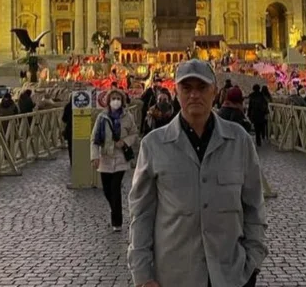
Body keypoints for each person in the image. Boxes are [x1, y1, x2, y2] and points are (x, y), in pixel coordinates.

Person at [128, 60, 267, 287]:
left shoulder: (239, 140)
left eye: (202, 88)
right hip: (174, 275)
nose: (194, 95)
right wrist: (142, 273)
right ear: (176, 92)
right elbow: (141, 214)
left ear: (215, 91)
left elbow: (254, 206)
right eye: (187, 88)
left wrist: (253, 261)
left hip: (231, 274)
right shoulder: (153, 145)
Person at [90, 88, 138, 232]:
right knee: (106, 189)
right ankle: (115, 209)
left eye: (118, 98)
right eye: (113, 98)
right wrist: (94, 156)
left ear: (122, 101)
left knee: (115, 187)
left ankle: (117, 221)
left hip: (120, 157)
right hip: (106, 156)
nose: (115, 101)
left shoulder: (127, 116)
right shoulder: (102, 117)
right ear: (108, 101)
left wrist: (125, 142)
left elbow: (134, 133)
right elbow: (94, 139)